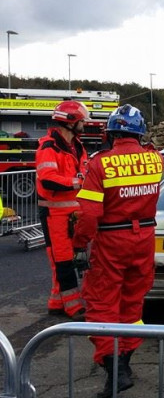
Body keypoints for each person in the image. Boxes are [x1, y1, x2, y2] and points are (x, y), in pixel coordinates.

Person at [72, 104, 163, 398]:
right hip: (145, 238)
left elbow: (88, 215)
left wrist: (78, 244)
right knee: (132, 304)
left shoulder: (99, 164)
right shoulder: (155, 159)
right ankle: (125, 362)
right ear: (140, 133)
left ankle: (115, 370)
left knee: (101, 305)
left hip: (112, 240)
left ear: (111, 133)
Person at [35, 100, 89, 320]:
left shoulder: (78, 146)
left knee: (66, 260)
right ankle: (73, 307)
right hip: (54, 215)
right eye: (82, 120)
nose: (85, 124)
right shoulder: (49, 148)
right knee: (63, 261)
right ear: (70, 121)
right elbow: (48, 180)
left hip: (72, 214)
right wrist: (77, 182)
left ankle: (56, 303)